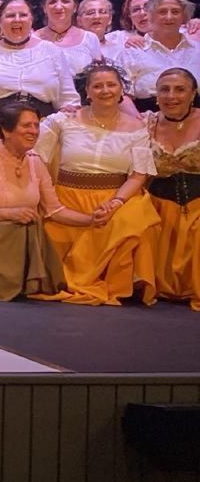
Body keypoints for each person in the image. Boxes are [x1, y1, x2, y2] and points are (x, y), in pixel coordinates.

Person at [0, 102, 93, 301]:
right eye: (26, 126)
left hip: (15, 233)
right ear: (6, 130)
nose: (34, 131)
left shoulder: (35, 162)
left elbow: (54, 210)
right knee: (11, 226)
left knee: (23, 225)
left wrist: (91, 220)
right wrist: (9, 213)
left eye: (36, 125)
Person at [33, 61, 158, 305]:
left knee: (135, 217)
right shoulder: (63, 120)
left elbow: (139, 174)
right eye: (97, 86)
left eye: (111, 85)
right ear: (87, 92)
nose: (105, 90)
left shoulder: (138, 128)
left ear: (122, 89)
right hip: (66, 199)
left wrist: (116, 202)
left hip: (114, 199)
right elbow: (34, 156)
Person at [0, 0, 79, 117]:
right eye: (10, 15)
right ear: (0, 21)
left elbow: (68, 98)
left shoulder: (51, 51)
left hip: (42, 125)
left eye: (23, 15)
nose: (17, 19)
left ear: (31, 19)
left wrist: (68, 111)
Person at [145, 68, 200, 308]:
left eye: (180, 89)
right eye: (164, 90)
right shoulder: (146, 124)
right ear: (156, 95)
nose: (171, 96)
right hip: (158, 209)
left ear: (193, 93)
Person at [120, 0, 200, 113]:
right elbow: (122, 95)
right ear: (151, 15)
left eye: (175, 11)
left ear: (184, 16)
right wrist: (138, 121)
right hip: (148, 121)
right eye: (162, 12)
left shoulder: (197, 50)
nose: (169, 17)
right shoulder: (133, 52)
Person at [36, 0, 102, 76]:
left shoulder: (90, 39)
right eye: (52, 2)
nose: (58, 7)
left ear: (75, 7)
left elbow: (97, 78)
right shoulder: (33, 40)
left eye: (65, 1)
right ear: (44, 8)